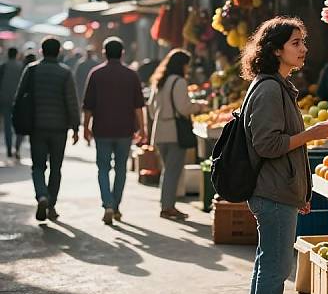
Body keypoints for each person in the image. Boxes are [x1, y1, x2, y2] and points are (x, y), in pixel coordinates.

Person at [240, 16, 328, 294]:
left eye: (303, 42)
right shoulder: (268, 88)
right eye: (295, 43)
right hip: (271, 191)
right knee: (276, 267)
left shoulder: (276, 85)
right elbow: (267, 144)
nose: (303, 49)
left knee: (269, 263)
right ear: (275, 49)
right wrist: (310, 134)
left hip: (279, 189)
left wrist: (301, 192)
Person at [14, 38, 80, 221]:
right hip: (59, 129)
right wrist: (75, 127)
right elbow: (72, 102)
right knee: (56, 168)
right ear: (58, 52)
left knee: (38, 167)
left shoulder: (32, 69)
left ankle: (41, 195)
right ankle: (51, 205)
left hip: (37, 127)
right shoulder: (65, 73)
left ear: (42, 51)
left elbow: (19, 98)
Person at [83, 37, 146, 225]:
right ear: (122, 53)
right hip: (124, 130)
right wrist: (142, 128)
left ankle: (108, 204)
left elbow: (88, 106)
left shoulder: (95, 74)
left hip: (102, 129)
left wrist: (85, 127)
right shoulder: (131, 75)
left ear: (104, 52)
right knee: (121, 170)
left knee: (103, 168)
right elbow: (138, 106)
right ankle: (116, 205)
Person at [148, 49, 207, 219]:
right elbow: (184, 108)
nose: (188, 68)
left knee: (168, 170)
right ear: (182, 65)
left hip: (160, 132)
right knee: (172, 171)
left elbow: (151, 109)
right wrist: (200, 106)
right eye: (187, 64)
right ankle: (168, 207)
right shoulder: (179, 82)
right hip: (175, 132)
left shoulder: (159, 81)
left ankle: (166, 204)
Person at [0, 47, 23, 159]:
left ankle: (9, 148)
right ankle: (17, 148)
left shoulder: (3, 66)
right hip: (18, 100)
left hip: (4, 99)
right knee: (19, 124)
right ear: (17, 54)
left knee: (7, 125)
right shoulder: (22, 67)